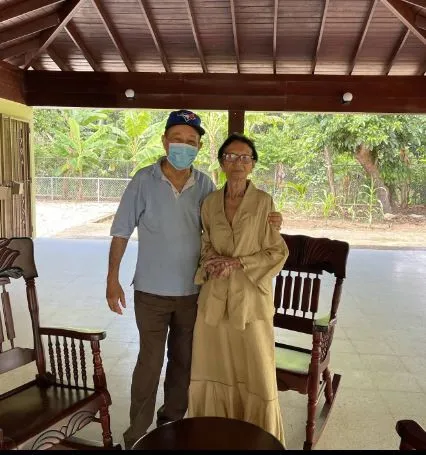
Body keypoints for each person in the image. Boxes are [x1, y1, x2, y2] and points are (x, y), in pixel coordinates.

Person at [106, 110, 283, 449]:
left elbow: (226, 224)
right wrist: (112, 279)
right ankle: (136, 435)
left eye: (191, 141)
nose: (183, 146)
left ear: (200, 147)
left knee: (184, 363)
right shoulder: (143, 180)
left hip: (192, 292)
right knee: (149, 363)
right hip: (150, 292)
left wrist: (271, 219)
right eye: (177, 139)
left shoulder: (205, 186)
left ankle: (172, 424)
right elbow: (121, 232)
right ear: (164, 141)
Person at [188, 133, 289, 446]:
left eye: (245, 157)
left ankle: (260, 437)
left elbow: (276, 252)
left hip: (250, 300)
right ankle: (212, 433)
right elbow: (205, 244)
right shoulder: (209, 203)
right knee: (212, 365)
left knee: (256, 368)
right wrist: (211, 262)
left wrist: (238, 263)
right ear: (222, 162)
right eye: (231, 157)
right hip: (215, 299)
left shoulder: (264, 203)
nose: (238, 163)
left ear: (253, 164)